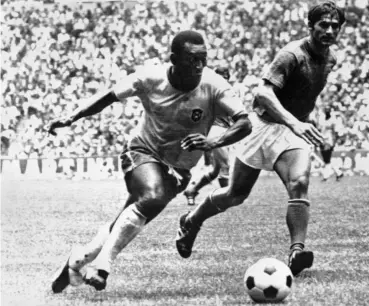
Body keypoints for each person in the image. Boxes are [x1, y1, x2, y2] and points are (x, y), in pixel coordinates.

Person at [49, 30, 252, 293]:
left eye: (204, 58)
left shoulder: (214, 86)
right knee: (153, 195)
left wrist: (213, 142)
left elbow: (244, 122)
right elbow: (108, 96)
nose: (200, 65)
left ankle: (77, 260)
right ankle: (102, 266)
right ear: (174, 59)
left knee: (128, 218)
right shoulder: (149, 78)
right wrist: (71, 117)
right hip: (142, 151)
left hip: (180, 169)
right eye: (192, 59)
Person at [175, 2, 346, 277]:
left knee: (299, 183)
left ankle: (297, 252)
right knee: (235, 194)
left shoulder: (331, 59)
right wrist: (294, 121)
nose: (329, 30)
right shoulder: (291, 54)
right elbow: (263, 93)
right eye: (323, 25)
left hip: (293, 132)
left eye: (334, 26)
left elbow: (305, 93)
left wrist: (304, 123)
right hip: (263, 126)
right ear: (310, 26)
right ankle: (192, 221)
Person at [183, 65, 233, 205]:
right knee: (224, 166)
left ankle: (192, 189)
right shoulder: (209, 91)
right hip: (215, 130)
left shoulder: (227, 92)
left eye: (226, 78)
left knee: (216, 169)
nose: (224, 80)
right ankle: (227, 198)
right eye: (221, 77)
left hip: (224, 129)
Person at [317, 107, 344, 181]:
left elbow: (335, 132)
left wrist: (334, 142)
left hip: (329, 140)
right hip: (322, 140)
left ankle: (326, 176)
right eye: (326, 111)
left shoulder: (333, 120)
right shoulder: (321, 119)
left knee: (327, 159)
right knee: (326, 159)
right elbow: (319, 129)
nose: (327, 112)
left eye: (328, 111)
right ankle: (339, 173)